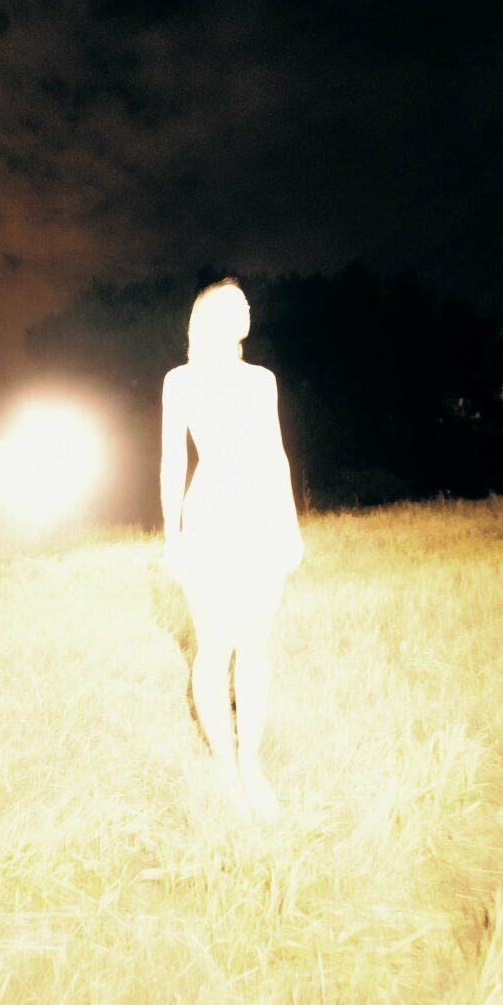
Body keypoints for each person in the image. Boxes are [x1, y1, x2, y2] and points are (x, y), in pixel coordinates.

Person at [160, 280, 303, 815]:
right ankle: (224, 767)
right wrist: (172, 536)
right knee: (214, 646)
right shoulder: (181, 380)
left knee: (254, 643)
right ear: (210, 316)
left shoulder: (262, 380)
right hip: (209, 517)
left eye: (246, 304)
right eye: (236, 304)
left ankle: (251, 765)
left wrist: (290, 527)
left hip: (260, 517)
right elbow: (173, 462)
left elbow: (277, 455)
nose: (247, 309)